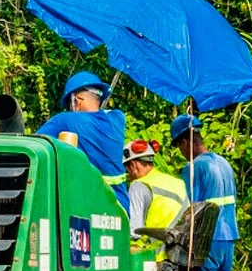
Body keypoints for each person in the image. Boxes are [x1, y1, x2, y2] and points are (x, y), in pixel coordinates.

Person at [171, 113, 237, 271]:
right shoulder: (223, 163)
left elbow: (189, 211)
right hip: (228, 237)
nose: (179, 152)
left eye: (178, 146)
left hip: (207, 241)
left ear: (186, 141)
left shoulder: (193, 168)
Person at [37, 71, 130, 213]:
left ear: (76, 101)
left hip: (87, 208)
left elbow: (35, 145)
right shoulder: (118, 118)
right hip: (119, 210)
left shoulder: (63, 120)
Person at [123, 139, 188, 247]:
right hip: (181, 255)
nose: (128, 175)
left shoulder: (139, 186)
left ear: (133, 165)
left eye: (127, 170)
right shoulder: (178, 183)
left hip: (155, 257)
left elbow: (134, 233)